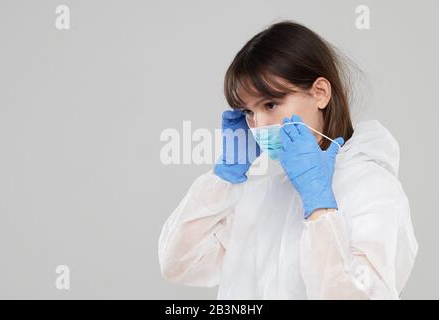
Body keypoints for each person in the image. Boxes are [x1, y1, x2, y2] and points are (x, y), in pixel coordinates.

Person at [158, 20, 418, 299]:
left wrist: (320, 209)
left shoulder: (373, 188)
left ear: (320, 93)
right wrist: (224, 177)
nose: (258, 125)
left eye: (270, 104)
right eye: (249, 111)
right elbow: (179, 264)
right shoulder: (265, 194)